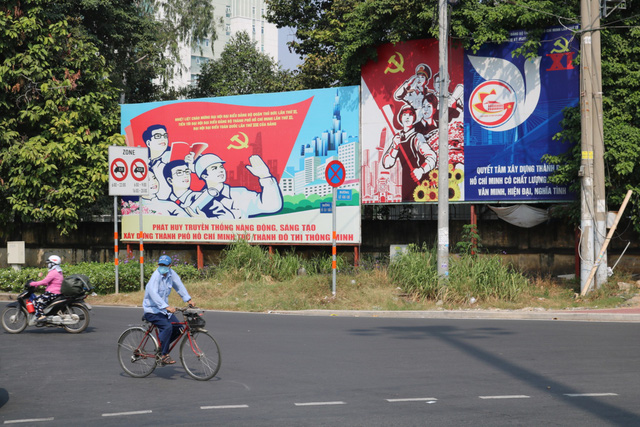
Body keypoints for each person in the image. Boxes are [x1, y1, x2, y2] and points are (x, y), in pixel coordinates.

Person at [186, 153, 283, 219]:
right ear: (204, 176)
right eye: (214, 168)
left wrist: (265, 176)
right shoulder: (196, 198)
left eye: (221, 167)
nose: (221, 170)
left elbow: (271, 206)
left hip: (240, 241)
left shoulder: (240, 194)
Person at [142, 255, 194, 365]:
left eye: (165, 265)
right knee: (167, 327)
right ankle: (163, 355)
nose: (162, 267)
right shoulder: (155, 277)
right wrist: (166, 307)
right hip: (152, 310)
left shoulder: (171, 274)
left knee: (179, 328)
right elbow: (153, 294)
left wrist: (188, 300)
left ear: (170, 266)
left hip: (163, 310)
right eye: (160, 265)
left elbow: (179, 286)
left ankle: (161, 347)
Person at [29, 255, 64, 322]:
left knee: (37, 300)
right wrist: (38, 284)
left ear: (53, 263)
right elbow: (50, 282)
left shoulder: (53, 272)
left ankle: (41, 316)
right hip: (57, 292)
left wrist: (32, 283)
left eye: (49, 263)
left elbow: (44, 281)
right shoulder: (59, 271)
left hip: (53, 292)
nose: (48, 265)